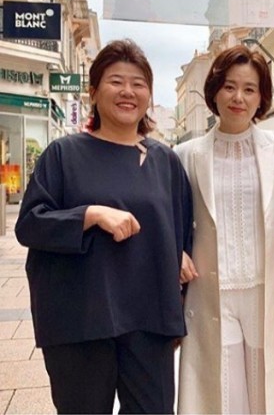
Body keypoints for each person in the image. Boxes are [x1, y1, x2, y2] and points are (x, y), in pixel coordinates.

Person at [15, 39, 193, 414]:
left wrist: (176, 300)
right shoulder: (63, 155)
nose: (128, 91)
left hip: (149, 321)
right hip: (80, 317)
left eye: (138, 83)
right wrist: (90, 215)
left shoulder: (165, 162)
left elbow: (181, 235)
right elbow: (30, 224)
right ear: (93, 91)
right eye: (116, 81)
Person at [175, 44, 274, 414]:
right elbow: (172, 218)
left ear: (261, 97)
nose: (238, 98)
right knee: (221, 394)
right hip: (212, 290)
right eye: (229, 87)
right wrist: (175, 253)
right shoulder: (187, 154)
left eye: (249, 89)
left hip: (267, 288)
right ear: (214, 91)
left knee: (267, 391)